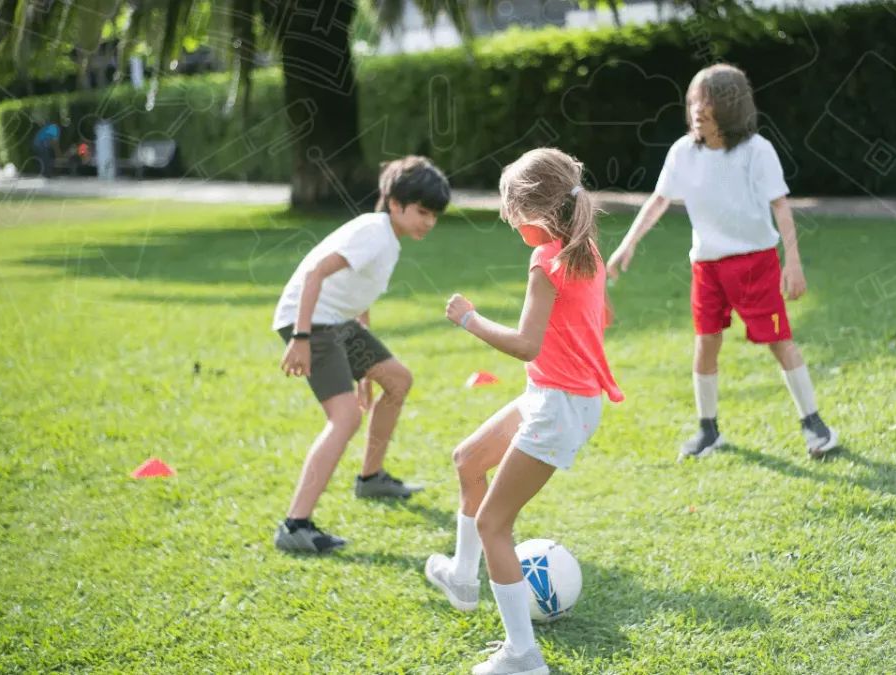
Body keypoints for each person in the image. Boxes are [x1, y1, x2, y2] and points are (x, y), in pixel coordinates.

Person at [425, 147, 623, 675]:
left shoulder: (546, 262)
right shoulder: (585, 252)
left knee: (494, 523)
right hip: (557, 398)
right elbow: (601, 314)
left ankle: (523, 656)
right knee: (468, 459)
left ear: (535, 215)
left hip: (558, 407)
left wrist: (468, 319)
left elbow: (525, 345)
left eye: (513, 217)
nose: (513, 227)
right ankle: (464, 578)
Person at [607, 63, 839, 460]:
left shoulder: (756, 151)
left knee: (779, 342)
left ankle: (815, 426)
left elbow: (781, 207)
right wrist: (628, 243)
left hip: (755, 263)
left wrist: (793, 263)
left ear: (730, 108)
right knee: (706, 343)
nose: (698, 108)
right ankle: (708, 431)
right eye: (694, 99)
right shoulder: (683, 152)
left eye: (708, 101)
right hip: (707, 267)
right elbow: (660, 198)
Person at [271, 156, 451, 553]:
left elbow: (359, 298)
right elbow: (316, 273)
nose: (429, 222)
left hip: (336, 320)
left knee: (397, 379)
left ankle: (371, 478)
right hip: (311, 320)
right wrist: (299, 337)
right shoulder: (374, 232)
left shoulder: (388, 240)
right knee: (346, 417)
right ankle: (295, 525)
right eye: (422, 212)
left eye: (434, 215)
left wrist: (366, 371)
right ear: (395, 203)